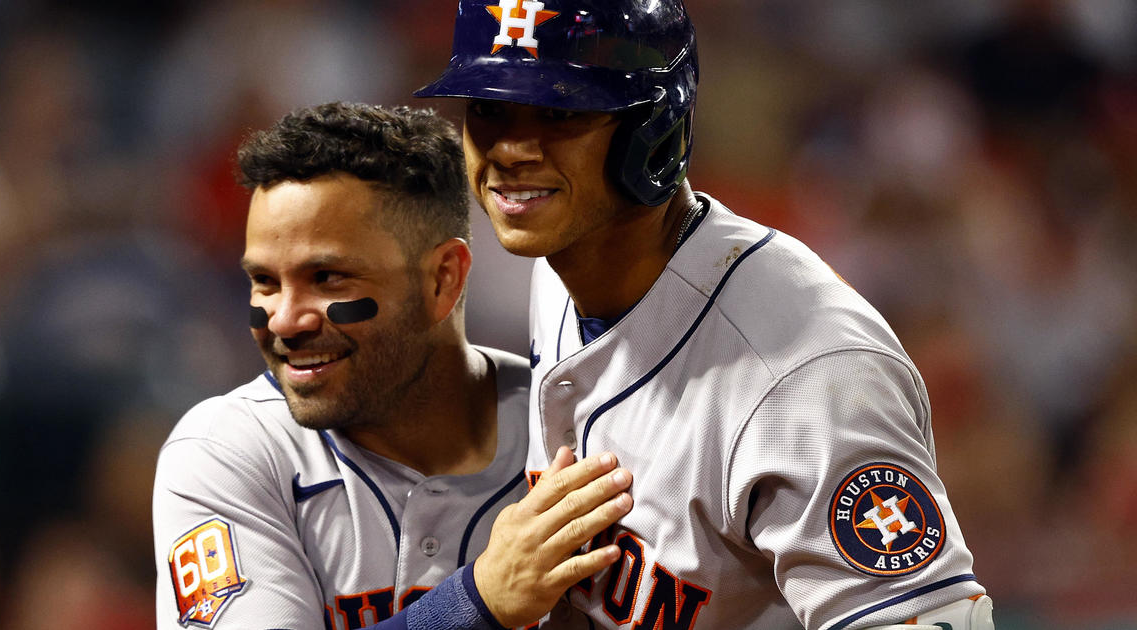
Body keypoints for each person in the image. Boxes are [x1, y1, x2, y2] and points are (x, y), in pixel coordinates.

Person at [415, 1, 997, 628]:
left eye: (558, 111)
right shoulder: (562, 266)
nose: (509, 149)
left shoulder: (808, 372)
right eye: (489, 109)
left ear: (654, 128)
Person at [152, 102, 635, 630]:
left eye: (328, 277)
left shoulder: (577, 429)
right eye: (265, 282)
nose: (284, 320)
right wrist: (477, 602)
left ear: (442, 279)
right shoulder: (230, 452)